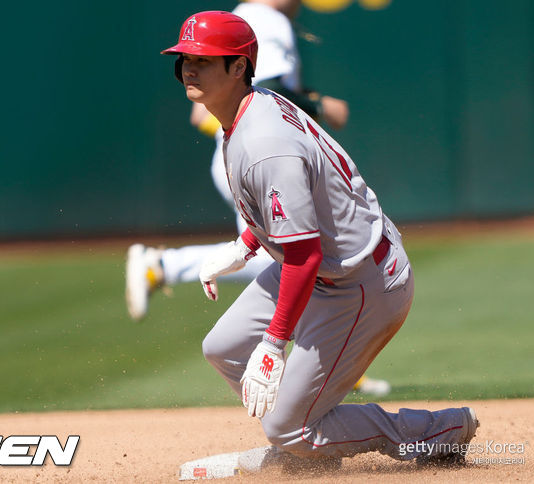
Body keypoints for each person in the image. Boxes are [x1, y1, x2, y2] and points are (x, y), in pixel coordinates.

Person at [159, 10, 479, 473]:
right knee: (223, 349)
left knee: (286, 427)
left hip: (360, 282)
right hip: (329, 265)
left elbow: (304, 257)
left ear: (238, 67)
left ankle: (438, 430)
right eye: (185, 58)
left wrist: (274, 342)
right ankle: (307, 449)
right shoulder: (251, 107)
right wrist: (245, 245)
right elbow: (305, 205)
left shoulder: (263, 140)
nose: (189, 68)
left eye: (205, 60)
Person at [126, 0, 389, 397]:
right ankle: (164, 265)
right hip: (255, 161)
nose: (188, 69)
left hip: (245, 155)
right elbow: (266, 88)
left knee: (279, 255)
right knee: (288, 256)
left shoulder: (244, 18)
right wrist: (321, 105)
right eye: (185, 61)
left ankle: (319, 363)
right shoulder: (262, 20)